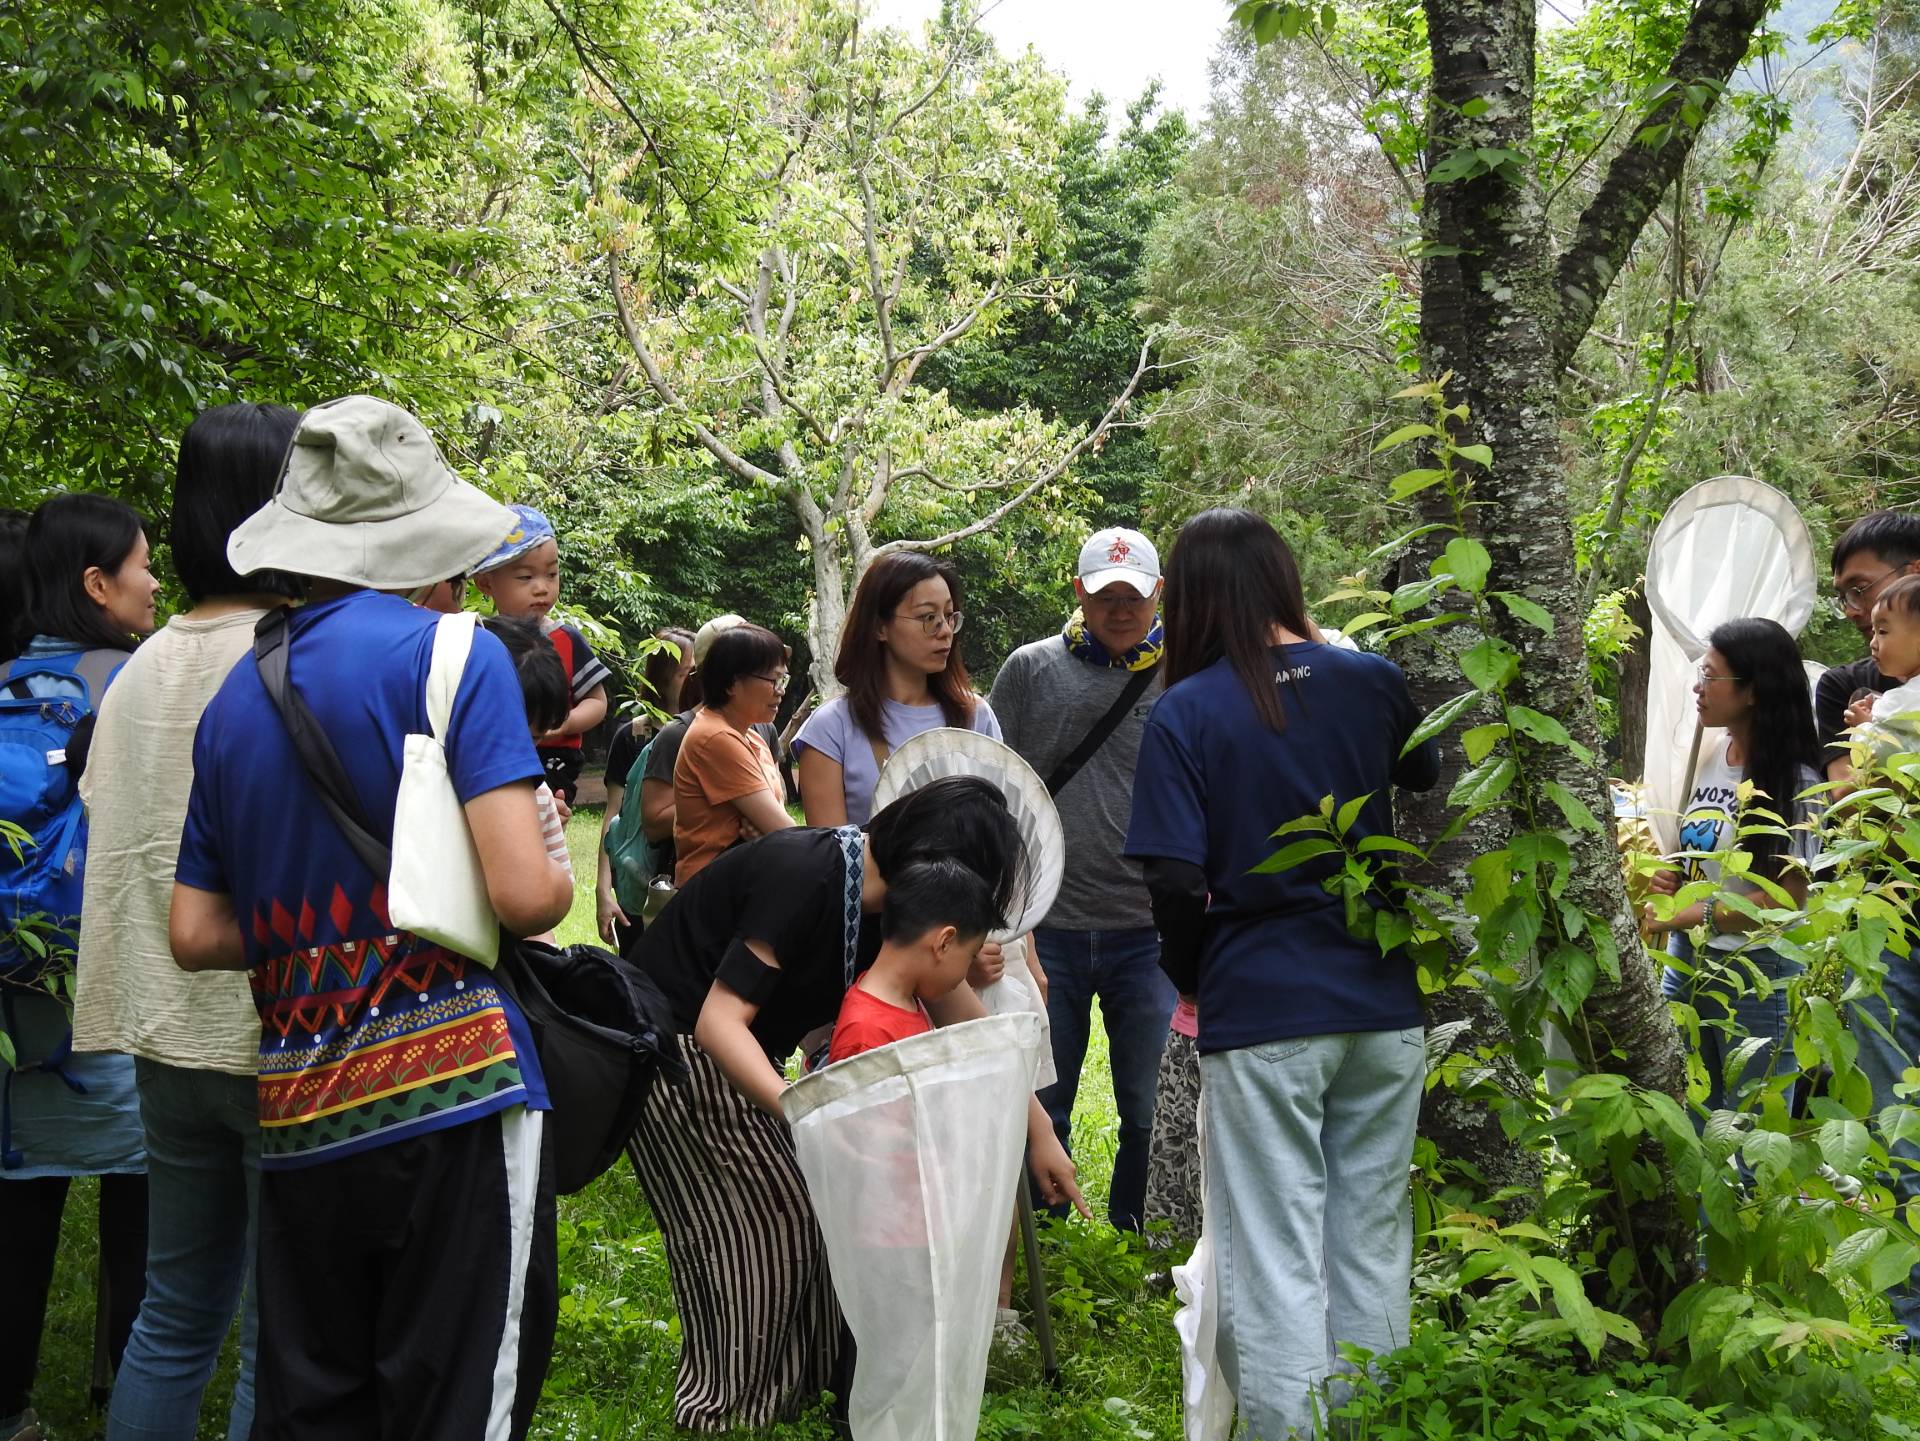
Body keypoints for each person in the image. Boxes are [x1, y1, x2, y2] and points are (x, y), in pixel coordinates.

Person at [169, 395, 575, 1441]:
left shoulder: (234, 700)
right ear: (418, 535)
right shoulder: (454, 656)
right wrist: (543, 853)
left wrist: (324, 928)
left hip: (303, 1104)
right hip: (453, 1097)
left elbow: (195, 932)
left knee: (315, 1404)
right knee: (454, 1402)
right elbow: (530, 898)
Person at [627, 777, 1086, 1431]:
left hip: (744, 1061)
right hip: (672, 1053)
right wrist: (806, 1112)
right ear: (937, 875)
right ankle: (724, 1410)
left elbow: (969, 1025)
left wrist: (1039, 1132)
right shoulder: (807, 875)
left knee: (813, 1222)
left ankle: (798, 1398)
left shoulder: (887, 913)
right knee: (769, 1224)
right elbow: (718, 1022)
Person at [1124, 507, 1440, 1440]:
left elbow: (1174, 879)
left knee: (1273, 1254)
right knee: (1372, 1240)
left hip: (1262, 1003)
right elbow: (1423, 775)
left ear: (1189, 599)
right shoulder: (1371, 680)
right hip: (1383, 999)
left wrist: (1193, 974)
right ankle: (1372, 1422)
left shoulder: (1187, 709)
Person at [67, 404, 302, 1441]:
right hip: (278, 1030)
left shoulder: (138, 672)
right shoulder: (295, 659)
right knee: (276, 1329)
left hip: (166, 1033)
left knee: (173, 1311)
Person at [2, 494, 160, 1441]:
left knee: (22, 1209)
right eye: (141, 563)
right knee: (144, 1204)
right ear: (97, 583)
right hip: (121, 988)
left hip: (24, 998)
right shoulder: (140, 686)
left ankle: (12, 1403)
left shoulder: (8, 679)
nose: (153, 580)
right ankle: (127, 1385)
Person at [989, 526, 1172, 1234]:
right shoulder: (1031, 671)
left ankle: (1133, 1235)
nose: (1120, 609)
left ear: (1158, 593)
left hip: (1149, 928)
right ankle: (1049, 1245)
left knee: (1149, 1104)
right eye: (1105, 595)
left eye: (1134, 595)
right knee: (1045, 1100)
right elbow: (996, 789)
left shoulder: (1182, 672)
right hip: (1046, 928)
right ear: (1079, 594)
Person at [1643, 619, 1821, 1121]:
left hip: (1756, 972)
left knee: (1748, 1122)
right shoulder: (1708, 757)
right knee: (1688, 1107)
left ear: (1751, 691)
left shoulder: (1794, 783)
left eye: (1711, 676)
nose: (1698, 687)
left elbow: (1786, 901)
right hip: (1688, 962)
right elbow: (1695, 855)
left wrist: (1690, 916)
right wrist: (1672, 880)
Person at [794, 552, 1002, 829]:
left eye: (949, 616)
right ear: (880, 627)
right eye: (929, 617)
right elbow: (832, 858)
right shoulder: (831, 728)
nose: (945, 631)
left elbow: (999, 830)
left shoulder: (975, 716)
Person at [470, 504, 611, 804]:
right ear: (485, 582)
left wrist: (566, 723)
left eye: (551, 574)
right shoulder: (479, 639)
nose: (542, 588)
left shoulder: (567, 638)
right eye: (525, 577)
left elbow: (598, 702)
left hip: (554, 759)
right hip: (494, 756)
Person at [826, 858, 998, 1064]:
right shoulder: (866, 1037)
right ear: (944, 942)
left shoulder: (906, 1001)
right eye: (971, 956)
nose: (965, 973)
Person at [671, 623, 795, 885]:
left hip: (740, 886)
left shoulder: (750, 736)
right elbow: (787, 832)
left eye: (783, 680)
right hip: (713, 895)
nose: (781, 690)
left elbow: (776, 825)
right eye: (773, 680)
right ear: (732, 683)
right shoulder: (716, 737)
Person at [598, 627, 695, 951]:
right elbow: (615, 815)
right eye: (686, 673)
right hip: (640, 883)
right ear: (662, 676)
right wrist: (603, 890)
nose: (694, 681)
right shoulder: (632, 735)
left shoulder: (709, 731)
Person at [1816, 511, 1920, 792]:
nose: (1850, 610)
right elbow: (1846, 800)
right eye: (1843, 597)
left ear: (1915, 574)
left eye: (1859, 589)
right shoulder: (1841, 686)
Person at [483, 615, 579, 890]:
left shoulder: (538, 795)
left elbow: (557, 887)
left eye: (535, 738)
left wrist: (535, 845)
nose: (519, 752)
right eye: (506, 735)